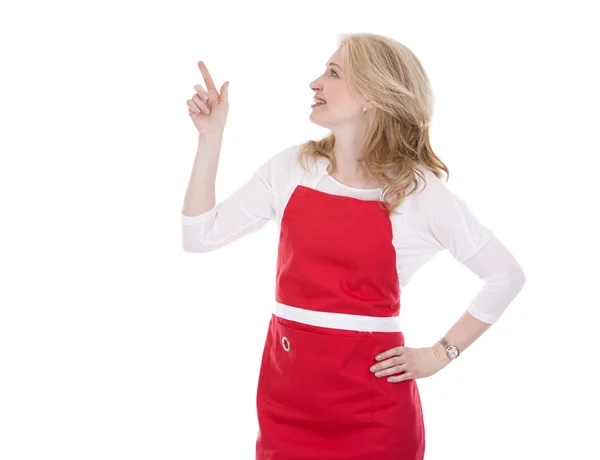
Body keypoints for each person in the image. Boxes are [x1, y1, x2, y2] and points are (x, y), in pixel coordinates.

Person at [181, 33, 526, 460]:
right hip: (285, 404)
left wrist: (441, 354)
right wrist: (210, 138)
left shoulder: (418, 192)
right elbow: (199, 236)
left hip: (374, 418)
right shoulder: (293, 168)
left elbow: (506, 276)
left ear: (372, 95)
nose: (315, 82)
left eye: (333, 72)